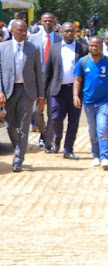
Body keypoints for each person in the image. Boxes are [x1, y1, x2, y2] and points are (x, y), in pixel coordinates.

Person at [73, 36, 108, 170]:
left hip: (105, 101)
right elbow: (78, 80)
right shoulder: (83, 61)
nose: (93, 48)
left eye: (96, 45)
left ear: (101, 46)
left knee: (102, 127)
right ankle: (95, 155)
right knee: (92, 129)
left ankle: (104, 157)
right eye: (91, 45)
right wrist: (75, 96)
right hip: (88, 102)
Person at [0, 19, 45, 172]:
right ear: (12, 31)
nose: (24, 33)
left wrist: (41, 96)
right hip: (9, 91)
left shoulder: (33, 48)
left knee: (24, 125)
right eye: (20, 30)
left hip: (27, 91)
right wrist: (0, 91)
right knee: (10, 126)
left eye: (25, 30)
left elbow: (39, 73)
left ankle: (18, 159)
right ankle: (17, 148)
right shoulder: (2, 48)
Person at [43, 21, 88, 160]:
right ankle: (57, 138)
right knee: (56, 118)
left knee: (73, 121)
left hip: (75, 91)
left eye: (71, 31)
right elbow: (48, 71)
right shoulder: (55, 48)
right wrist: (42, 93)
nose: (69, 33)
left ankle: (68, 149)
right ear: (61, 32)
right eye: (66, 31)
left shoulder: (83, 49)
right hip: (57, 90)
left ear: (75, 32)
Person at [28, 12, 61, 148]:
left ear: (54, 22)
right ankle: (44, 132)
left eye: (50, 21)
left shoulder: (60, 39)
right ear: (41, 22)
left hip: (54, 79)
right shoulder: (32, 39)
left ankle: (47, 138)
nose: (47, 23)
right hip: (37, 78)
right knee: (36, 110)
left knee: (52, 111)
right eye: (45, 21)